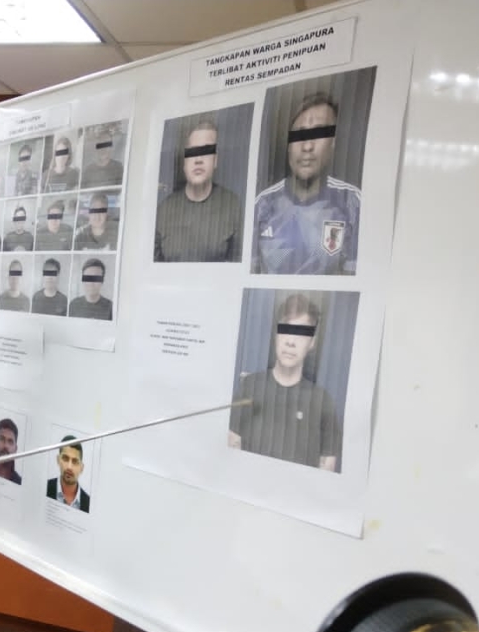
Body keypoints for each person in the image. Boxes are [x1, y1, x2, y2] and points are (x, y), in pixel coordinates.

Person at [251, 92, 361, 275]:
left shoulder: (351, 203)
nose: (307, 146)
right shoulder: (262, 205)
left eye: (319, 133)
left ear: (333, 143)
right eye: (299, 136)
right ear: (288, 145)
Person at [228, 293, 340, 471]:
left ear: (312, 342)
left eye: (301, 333)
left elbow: (326, 470)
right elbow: (232, 448)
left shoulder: (323, 402)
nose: (290, 342)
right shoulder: (249, 387)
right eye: (286, 330)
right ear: (276, 335)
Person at [154, 119, 243, 263]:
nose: (198, 159)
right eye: (192, 152)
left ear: (215, 160)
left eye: (206, 151)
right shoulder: (164, 210)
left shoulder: (232, 205)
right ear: (184, 163)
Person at [46, 438, 90, 513]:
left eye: (75, 461)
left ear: (81, 468)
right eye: (65, 458)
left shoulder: (88, 503)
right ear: (58, 460)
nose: (69, 467)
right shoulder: (45, 487)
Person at [0, 418, 21, 485]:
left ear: (15, 449)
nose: (5, 446)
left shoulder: (19, 482)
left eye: (10, 441)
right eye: (2, 439)